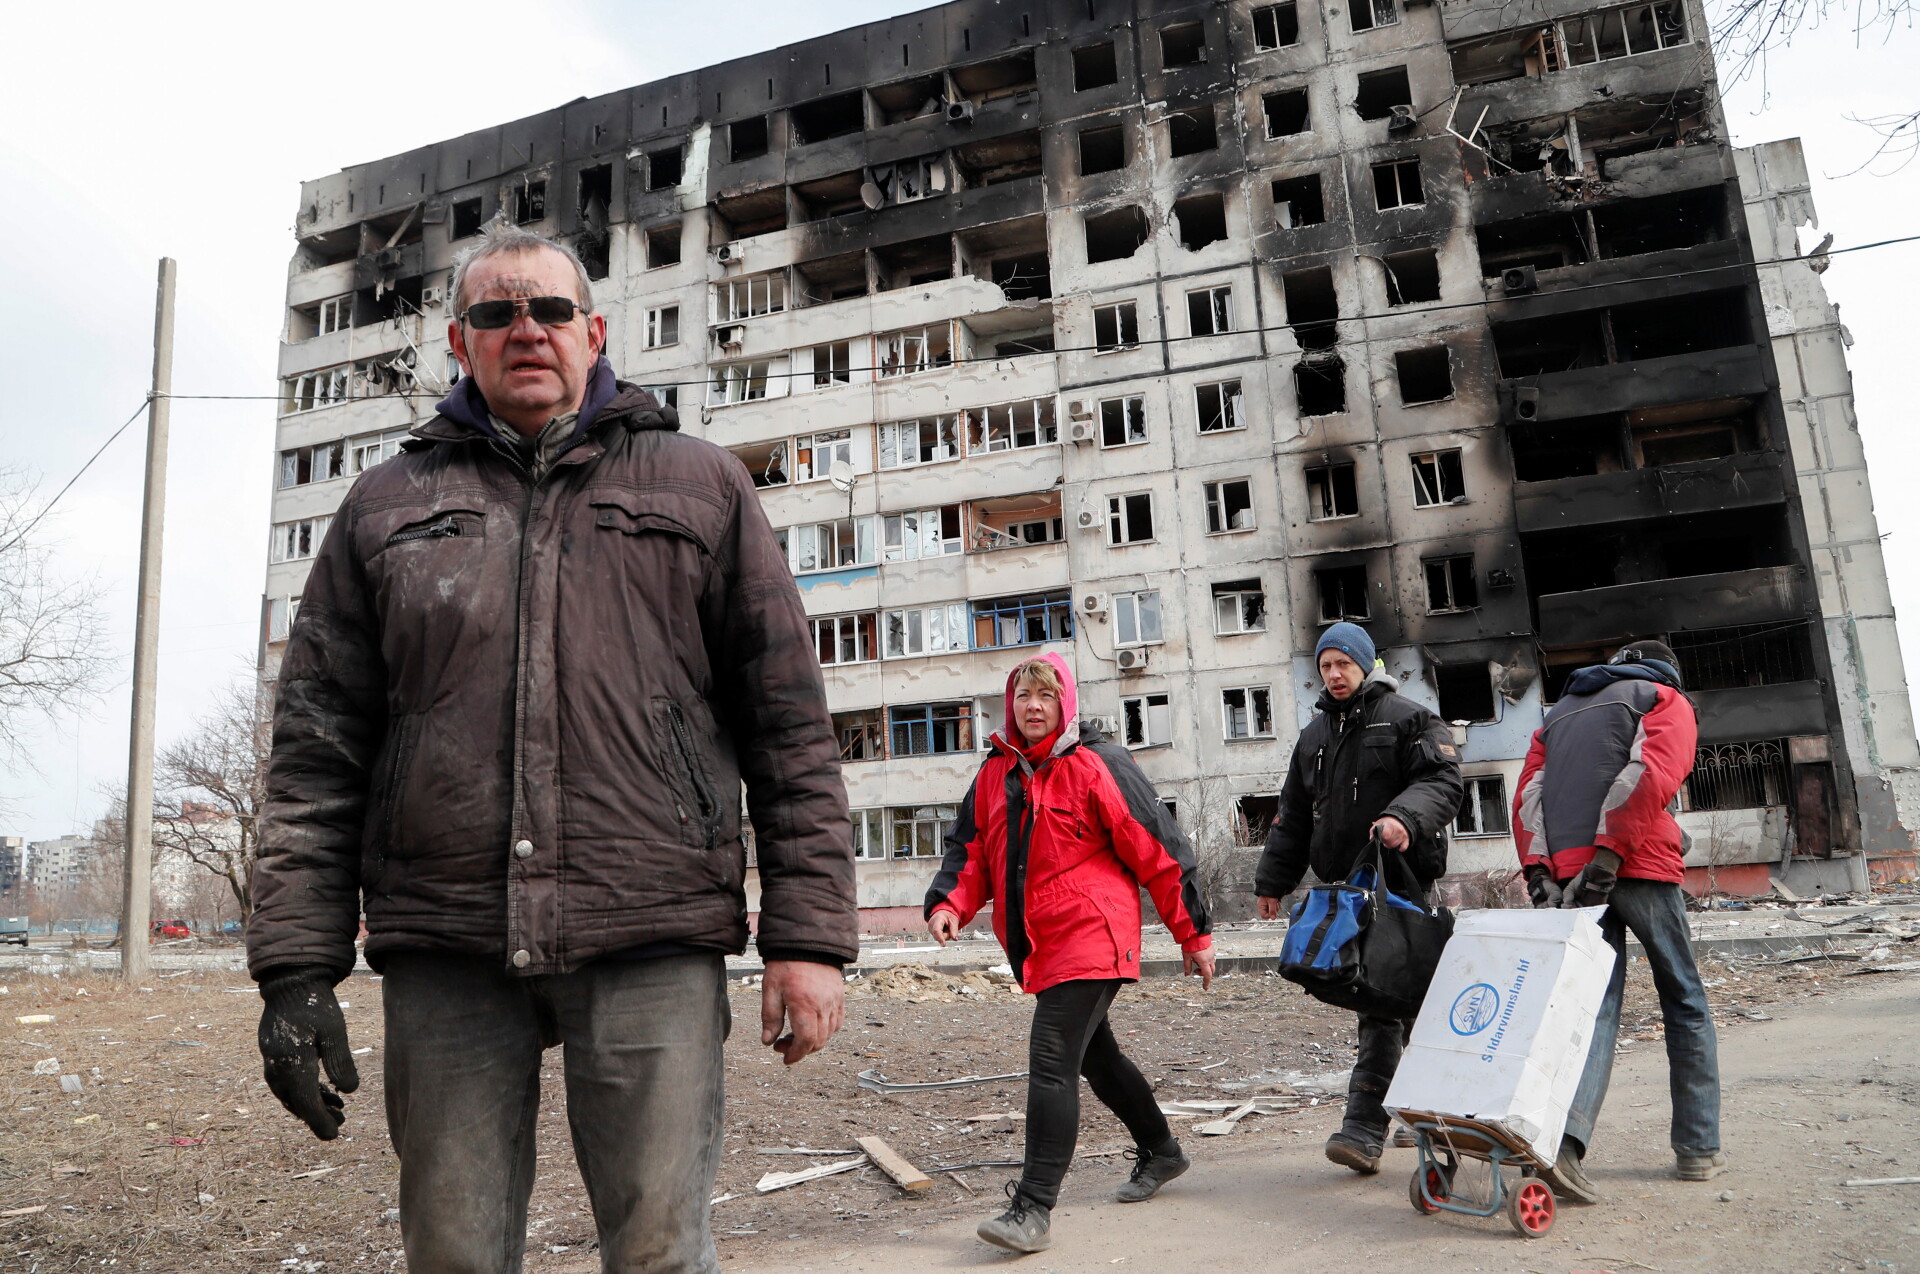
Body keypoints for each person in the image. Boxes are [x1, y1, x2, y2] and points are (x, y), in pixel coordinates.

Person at [244, 228, 857, 1273]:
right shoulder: (383, 504)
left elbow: (788, 724)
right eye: (495, 313)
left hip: (649, 920)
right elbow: (315, 750)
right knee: (454, 1254)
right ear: (459, 342)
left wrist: (809, 937)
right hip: (447, 938)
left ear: (594, 330)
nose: (524, 329)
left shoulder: (701, 484)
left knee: (661, 1251)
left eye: (549, 310)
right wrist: (296, 970)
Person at [925, 653, 1215, 1254]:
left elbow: (1159, 849)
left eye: (1046, 697)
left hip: (1093, 930)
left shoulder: (1097, 764)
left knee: (1053, 1051)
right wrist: (949, 903)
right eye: (1024, 696)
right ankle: (1162, 1151)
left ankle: (1031, 1208)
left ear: (1066, 704)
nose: (1034, 707)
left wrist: (1194, 933)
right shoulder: (994, 775)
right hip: (1041, 942)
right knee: (1096, 1057)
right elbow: (972, 851)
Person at [1514, 639, 1722, 1201]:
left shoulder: (1557, 714)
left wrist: (1539, 871)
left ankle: (1566, 1148)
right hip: (1638, 866)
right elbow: (1651, 774)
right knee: (1684, 999)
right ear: (1666, 669)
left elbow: (1528, 794)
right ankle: (1697, 1149)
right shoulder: (1663, 698)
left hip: (1575, 878)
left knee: (1594, 1012)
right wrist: (1610, 854)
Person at [1254, 622, 1464, 1174]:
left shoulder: (1408, 719)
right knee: (1377, 998)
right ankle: (1381, 1127)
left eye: (1343, 663)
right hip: (1349, 892)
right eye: (1325, 666)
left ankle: (1413, 1131)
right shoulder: (1314, 736)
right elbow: (1294, 816)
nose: (1333, 674)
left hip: (1406, 886)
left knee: (1408, 1004)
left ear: (1366, 665)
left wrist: (1403, 817)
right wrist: (1272, 882)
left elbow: (1444, 781)